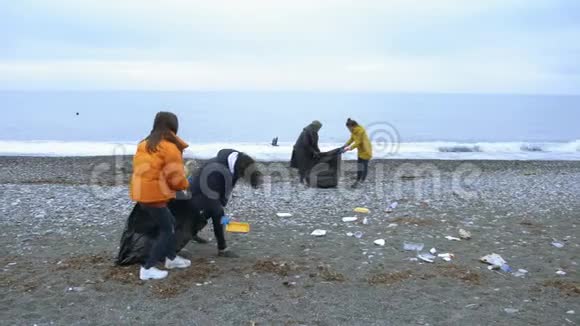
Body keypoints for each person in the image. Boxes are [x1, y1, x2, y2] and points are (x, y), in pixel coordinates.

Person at [129, 111, 192, 281]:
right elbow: (177, 179)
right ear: (173, 126)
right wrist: (186, 184)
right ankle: (147, 268)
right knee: (167, 229)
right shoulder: (170, 147)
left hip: (141, 192)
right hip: (154, 195)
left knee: (169, 223)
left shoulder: (144, 144)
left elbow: (145, 170)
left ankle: (171, 259)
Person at [188, 149, 263, 257]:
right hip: (195, 192)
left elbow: (226, 190)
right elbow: (214, 198)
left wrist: (222, 204)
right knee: (217, 213)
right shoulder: (218, 170)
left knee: (214, 211)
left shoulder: (236, 166)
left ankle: (192, 231)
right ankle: (222, 249)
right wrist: (221, 213)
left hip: (209, 190)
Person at [290, 120, 322, 185]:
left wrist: (319, 152)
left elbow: (315, 145)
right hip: (300, 150)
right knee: (303, 165)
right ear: (314, 126)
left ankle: (306, 179)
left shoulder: (315, 133)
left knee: (309, 165)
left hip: (307, 150)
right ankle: (301, 180)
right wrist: (313, 151)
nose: (318, 129)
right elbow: (306, 143)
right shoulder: (306, 132)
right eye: (318, 127)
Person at [343, 118, 373, 188]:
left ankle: (361, 182)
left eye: (349, 128)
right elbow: (351, 139)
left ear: (352, 126)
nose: (348, 129)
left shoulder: (360, 131)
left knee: (364, 166)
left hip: (366, 150)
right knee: (359, 166)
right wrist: (345, 145)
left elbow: (358, 142)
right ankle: (357, 180)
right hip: (360, 151)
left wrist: (349, 148)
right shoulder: (354, 131)